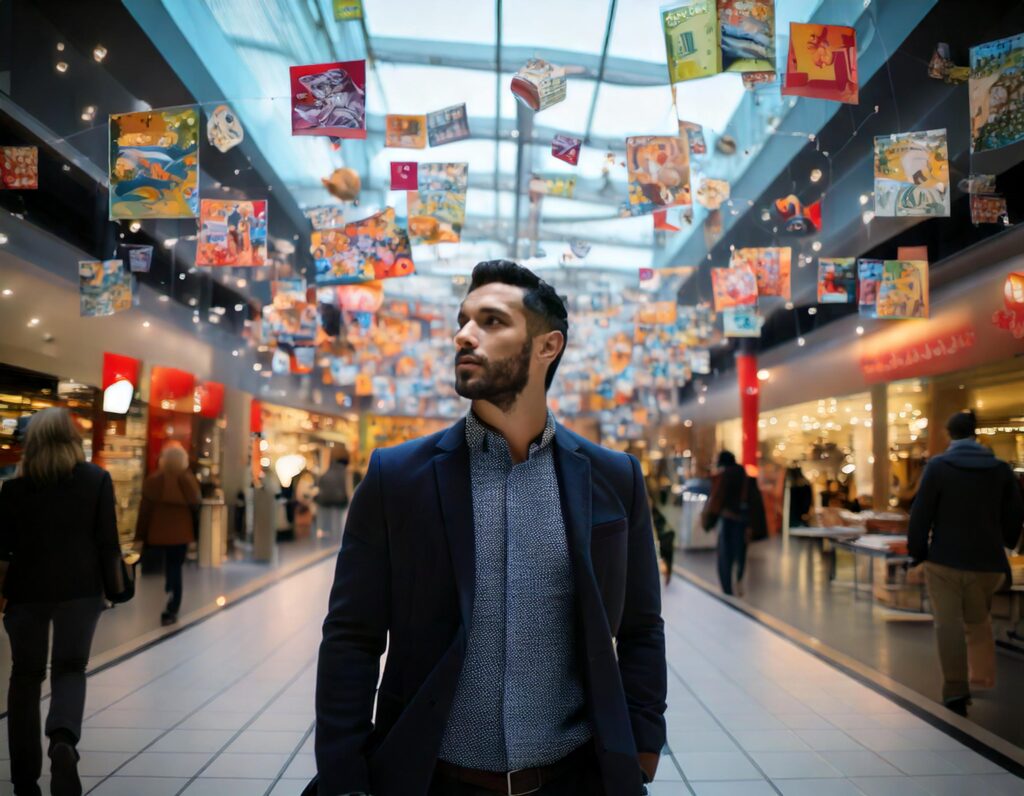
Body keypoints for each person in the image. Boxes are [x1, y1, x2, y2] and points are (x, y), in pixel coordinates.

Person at [310, 260, 666, 796]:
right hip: (433, 779)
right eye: (463, 320)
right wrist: (344, 774)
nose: (463, 336)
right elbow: (352, 638)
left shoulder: (613, 479)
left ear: (548, 347)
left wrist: (642, 748)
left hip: (573, 776)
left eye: (492, 321)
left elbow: (641, 627)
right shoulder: (397, 478)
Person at [0, 408, 123, 796]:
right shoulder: (96, 480)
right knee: (70, 669)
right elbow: (108, 542)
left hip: (26, 593)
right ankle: (63, 741)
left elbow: (3, 551)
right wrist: (116, 589)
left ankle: (24, 780)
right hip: (81, 590)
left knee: (25, 678)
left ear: (30, 443)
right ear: (74, 440)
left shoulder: (14, 489)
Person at [909, 410, 1024, 716]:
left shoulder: (938, 467)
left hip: (945, 560)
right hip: (987, 562)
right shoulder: (1000, 469)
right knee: (977, 619)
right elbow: (1015, 514)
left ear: (949, 435)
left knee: (948, 624)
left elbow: (921, 514)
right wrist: (1007, 543)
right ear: (975, 433)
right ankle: (982, 678)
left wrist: (917, 553)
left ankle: (956, 691)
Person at [134, 442, 201, 627]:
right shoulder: (188, 481)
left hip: (157, 536)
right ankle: (172, 606)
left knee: (157, 571)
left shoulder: (153, 481)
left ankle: (159, 602)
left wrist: (139, 537)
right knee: (175, 569)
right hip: (181, 536)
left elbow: (144, 512)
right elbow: (196, 505)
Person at [703, 450, 764, 597]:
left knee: (725, 555)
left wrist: (709, 520)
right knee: (740, 553)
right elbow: (754, 501)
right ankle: (739, 580)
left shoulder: (724, 476)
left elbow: (717, 499)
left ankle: (727, 589)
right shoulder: (745, 476)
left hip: (728, 520)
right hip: (743, 520)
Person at [315, 444, 350, 538]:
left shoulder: (328, 470)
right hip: (341, 502)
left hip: (325, 502)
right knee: (340, 527)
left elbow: (320, 484)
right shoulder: (346, 472)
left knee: (327, 529)